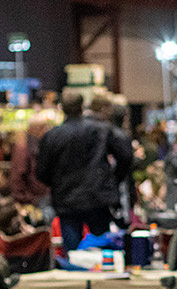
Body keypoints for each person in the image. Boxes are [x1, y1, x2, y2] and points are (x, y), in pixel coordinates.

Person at [36, 90, 133, 252]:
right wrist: (113, 178)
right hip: (98, 198)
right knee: (103, 251)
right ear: (82, 107)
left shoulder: (52, 136)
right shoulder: (101, 130)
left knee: (73, 255)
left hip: (67, 200)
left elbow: (42, 172)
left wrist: (58, 184)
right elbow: (125, 156)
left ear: (62, 109)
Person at [9, 118, 50, 208]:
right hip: (33, 200)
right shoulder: (24, 147)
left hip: (37, 197)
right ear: (34, 129)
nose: (47, 130)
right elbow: (18, 176)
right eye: (44, 127)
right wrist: (26, 198)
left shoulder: (36, 145)